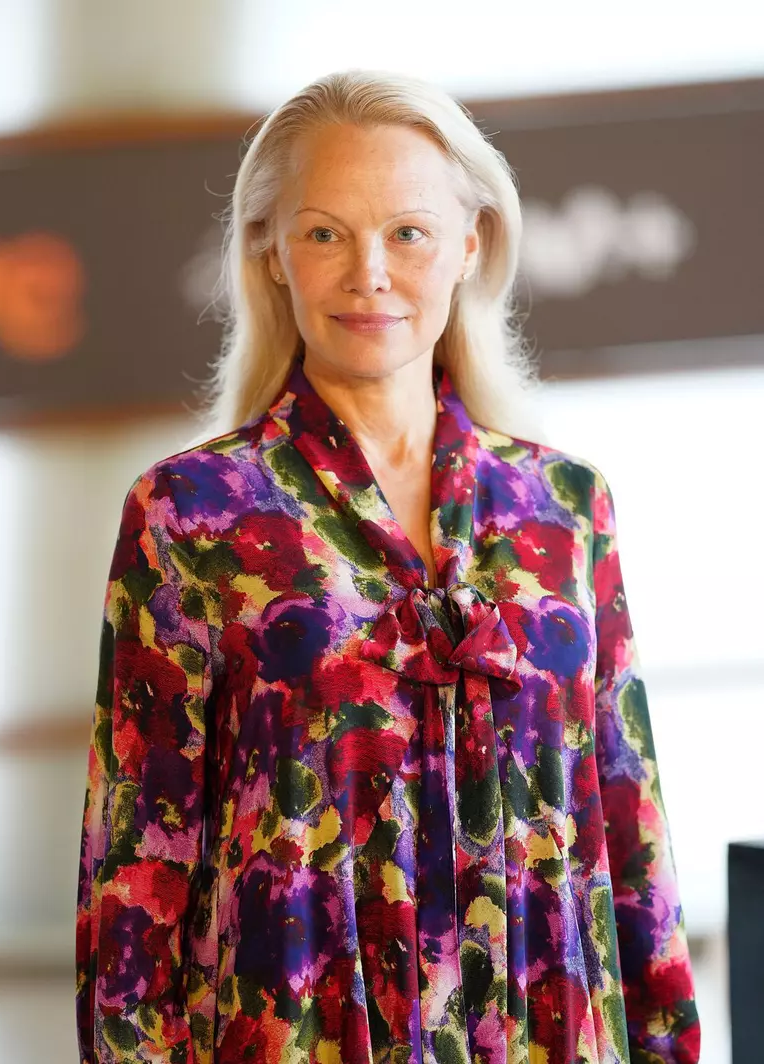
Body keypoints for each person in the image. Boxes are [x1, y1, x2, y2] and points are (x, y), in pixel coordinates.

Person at [75, 68, 700, 1064]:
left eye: (407, 232)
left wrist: (669, 1039)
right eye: (324, 231)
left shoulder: (567, 508)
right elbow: (138, 868)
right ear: (271, 252)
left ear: (468, 247)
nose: (368, 271)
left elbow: (629, 823)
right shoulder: (190, 513)